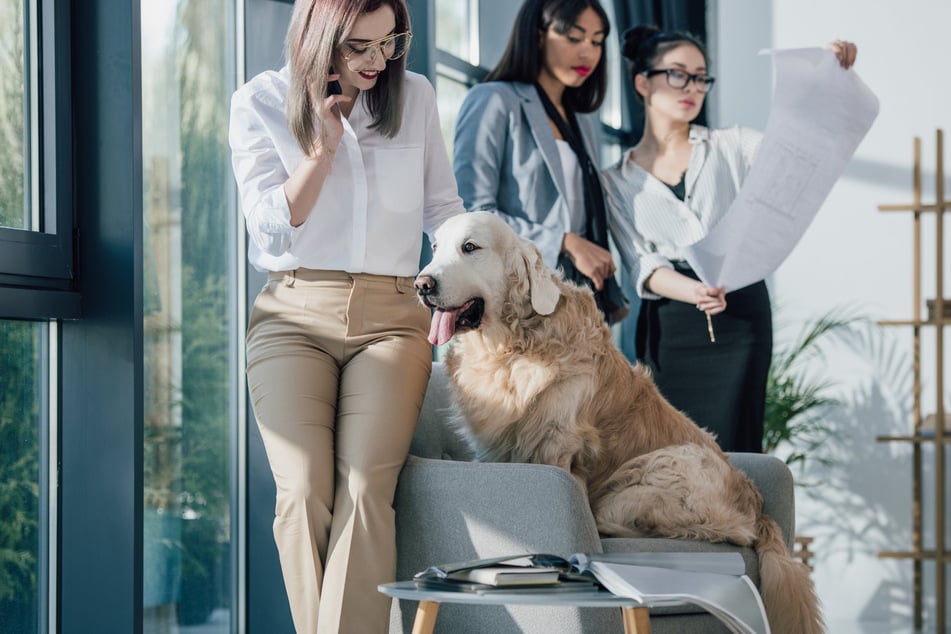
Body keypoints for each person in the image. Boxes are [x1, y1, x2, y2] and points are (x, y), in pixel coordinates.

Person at [228, 0, 463, 631]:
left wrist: (465, 279)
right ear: (318, 37)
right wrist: (321, 152)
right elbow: (272, 233)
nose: (376, 61)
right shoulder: (260, 100)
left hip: (393, 316)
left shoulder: (412, 96)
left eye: (388, 43)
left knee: (365, 490)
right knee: (303, 492)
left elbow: (442, 210)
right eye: (358, 46)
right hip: (293, 313)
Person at [602, 25, 857, 452]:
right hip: (669, 324)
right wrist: (693, 290)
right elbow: (640, 263)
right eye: (678, 74)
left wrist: (824, 76)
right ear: (643, 82)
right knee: (668, 453)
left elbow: (798, 147)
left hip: (739, 315)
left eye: (701, 77)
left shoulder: (731, 145)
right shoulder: (615, 180)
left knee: (738, 451)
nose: (693, 87)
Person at [452, 0, 628, 324]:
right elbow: (472, 213)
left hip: (570, 294)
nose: (588, 52)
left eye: (597, 41)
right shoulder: (493, 100)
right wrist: (564, 240)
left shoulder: (579, 120)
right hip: (514, 294)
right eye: (574, 38)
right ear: (537, 35)